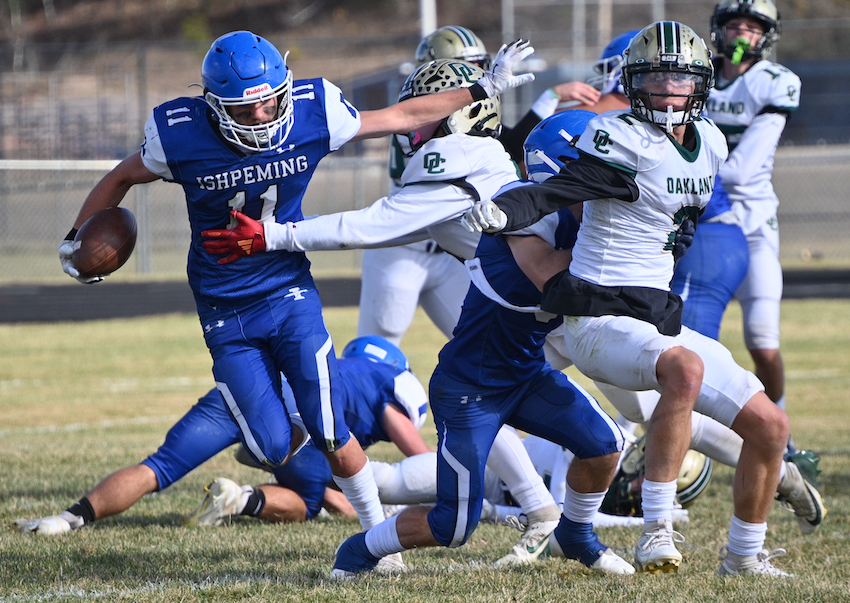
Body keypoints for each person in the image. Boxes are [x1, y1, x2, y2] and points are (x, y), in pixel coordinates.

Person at [57, 30, 535, 542]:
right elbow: (122, 175)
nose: (264, 117)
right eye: (247, 110)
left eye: (271, 102)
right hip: (223, 306)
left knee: (330, 426)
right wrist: (76, 237)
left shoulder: (313, 111)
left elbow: (400, 117)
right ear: (215, 107)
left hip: (287, 288)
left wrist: (482, 86)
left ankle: (378, 540)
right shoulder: (181, 134)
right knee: (268, 446)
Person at [202, 57, 577, 569]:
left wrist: (274, 235)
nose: (411, 122)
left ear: (455, 115)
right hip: (521, 303)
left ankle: (629, 512)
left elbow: (371, 226)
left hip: (552, 300)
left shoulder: (455, 157)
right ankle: (545, 511)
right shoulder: (482, 152)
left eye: (424, 111)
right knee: (492, 397)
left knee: (641, 398)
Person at [462, 21, 796, 577]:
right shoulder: (620, 135)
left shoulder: (710, 142)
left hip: (651, 316)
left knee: (770, 427)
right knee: (684, 371)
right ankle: (656, 530)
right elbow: (557, 191)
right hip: (598, 318)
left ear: (702, 85)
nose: (668, 90)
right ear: (634, 82)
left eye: (680, 79)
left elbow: (681, 226)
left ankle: (742, 559)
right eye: (657, 78)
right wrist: (506, 213)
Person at [328, 108, 638, 578]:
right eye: (595, 165)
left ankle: (575, 533)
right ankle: (358, 550)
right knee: (453, 524)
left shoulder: (579, 220)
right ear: (560, 169)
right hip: (470, 387)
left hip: (526, 372)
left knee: (603, 444)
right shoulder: (523, 220)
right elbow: (563, 278)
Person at [15, 337, 428, 536]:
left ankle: (67, 519)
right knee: (307, 499)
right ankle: (244, 496)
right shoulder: (389, 386)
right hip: (290, 421)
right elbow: (420, 458)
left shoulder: (341, 367)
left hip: (240, 394)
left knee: (158, 466)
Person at [360, 25, 601, 347]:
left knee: (483, 340)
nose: (475, 76)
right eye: (463, 67)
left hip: (449, 250)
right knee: (379, 342)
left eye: (476, 66)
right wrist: (550, 98)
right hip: (406, 246)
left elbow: (506, 146)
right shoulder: (426, 126)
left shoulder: (459, 125)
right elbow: (511, 147)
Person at [705, 0, 801, 453]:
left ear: (768, 35)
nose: (743, 34)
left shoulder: (773, 82)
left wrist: (679, 171)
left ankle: (781, 428)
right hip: (701, 221)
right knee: (688, 337)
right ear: (718, 30)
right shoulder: (696, 74)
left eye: (753, 26)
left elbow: (742, 172)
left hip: (752, 221)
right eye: (735, 25)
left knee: (762, 342)